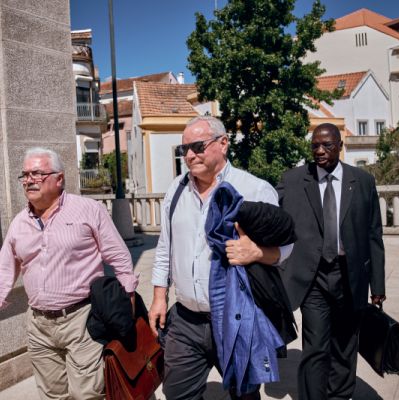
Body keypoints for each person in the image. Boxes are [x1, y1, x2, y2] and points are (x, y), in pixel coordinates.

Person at [148, 116, 293, 400]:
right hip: (186, 320)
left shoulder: (254, 188)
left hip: (235, 319)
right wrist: (158, 297)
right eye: (184, 149)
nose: (190, 155)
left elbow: (287, 247)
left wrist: (257, 253)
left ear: (223, 143)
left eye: (198, 146)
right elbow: (165, 246)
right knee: (177, 393)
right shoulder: (176, 190)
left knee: (243, 394)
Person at [0, 147, 138, 400]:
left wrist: (128, 296)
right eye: (25, 175)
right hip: (39, 324)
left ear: (59, 178)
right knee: (52, 395)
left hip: (81, 318)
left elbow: (118, 256)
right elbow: (5, 267)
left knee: (87, 393)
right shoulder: (19, 223)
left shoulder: (88, 210)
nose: (29, 180)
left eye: (37, 173)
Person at [276, 123, 386, 400]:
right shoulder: (293, 180)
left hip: (350, 275)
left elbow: (373, 235)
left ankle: (339, 395)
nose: (320, 150)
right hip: (313, 277)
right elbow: (276, 223)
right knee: (315, 347)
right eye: (315, 145)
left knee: (345, 345)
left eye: (327, 145)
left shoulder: (362, 181)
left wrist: (378, 285)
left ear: (340, 146)